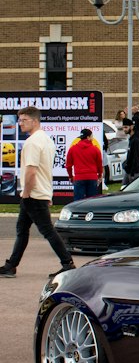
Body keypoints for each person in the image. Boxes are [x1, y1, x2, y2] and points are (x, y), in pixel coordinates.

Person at [0, 106, 75, 276]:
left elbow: (32, 171)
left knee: (47, 230)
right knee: (22, 229)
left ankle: (67, 263)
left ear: (35, 121)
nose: (20, 124)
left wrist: (26, 192)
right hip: (39, 192)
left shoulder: (33, 142)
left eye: (23, 120)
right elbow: (45, 170)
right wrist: (46, 193)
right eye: (19, 120)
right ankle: (11, 265)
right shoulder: (46, 140)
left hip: (33, 194)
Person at [65, 127, 103, 201]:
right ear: (88, 137)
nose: (92, 138)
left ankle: (79, 213)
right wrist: (100, 175)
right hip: (92, 177)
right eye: (92, 136)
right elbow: (99, 164)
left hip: (79, 177)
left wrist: (70, 176)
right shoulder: (95, 149)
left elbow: (68, 165)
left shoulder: (73, 149)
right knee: (91, 201)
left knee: (78, 202)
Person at [123, 109, 139, 183]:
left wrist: (132, 172)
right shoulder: (131, 139)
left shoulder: (136, 140)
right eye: (123, 127)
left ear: (132, 127)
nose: (124, 129)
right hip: (129, 171)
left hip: (134, 172)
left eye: (126, 127)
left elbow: (136, 157)